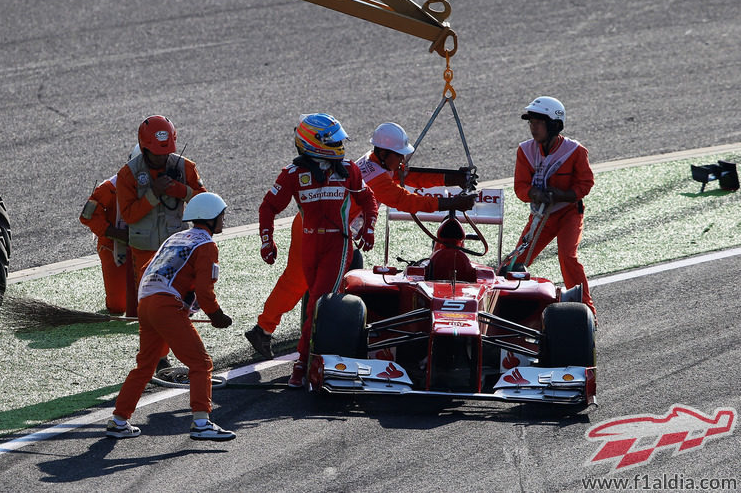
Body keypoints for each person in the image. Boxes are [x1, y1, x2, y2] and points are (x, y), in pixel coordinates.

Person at [245, 121, 476, 359]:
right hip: (314, 227)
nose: (402, 162)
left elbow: (409, 176)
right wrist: (450, 203)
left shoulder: (376, 160)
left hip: (334, 231)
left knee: (313, 284)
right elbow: (407, 200)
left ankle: (288, 331)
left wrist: (452, 178)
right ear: (384, 153)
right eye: (399, 156)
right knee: (297, 282)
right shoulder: (376, 177)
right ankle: (267, 331)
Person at [258, 113, 378, 387]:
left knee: (317, 303)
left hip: (339, 243)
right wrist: (267, 240)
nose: (339, 144)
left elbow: (368, 199)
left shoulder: (349, 169)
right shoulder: (292, 174)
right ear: (313, 142)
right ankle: (316, 355)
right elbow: (268, 207)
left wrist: (369, 228)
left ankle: (301, 364)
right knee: (314, 302)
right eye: (333, 140)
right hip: (310, 244)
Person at [106, 192, 236, 441]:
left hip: (147, 303)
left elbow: (146, 270)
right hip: (166, 306)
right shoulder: (207, 245)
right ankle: (201, 422)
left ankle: (119, 420)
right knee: (200, 363)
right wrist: (216, 315)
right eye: (221, 216)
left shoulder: (176, 238)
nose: (223, 220)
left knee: (145, 366)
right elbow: (204, 290)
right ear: (209, 218)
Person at [512, 96, 596, 316]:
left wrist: (563, 195)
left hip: (569, 214)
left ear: (554, 125)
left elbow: (585, 183)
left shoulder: (576, 151)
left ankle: (586, 310)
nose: (533, 128)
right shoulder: (524, 151)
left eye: (538, 122)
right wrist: (534, 193)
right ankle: (504, 306)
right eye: (531, 122)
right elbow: (520, 187)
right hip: (541, 216)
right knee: (515, 262)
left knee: (568, 257)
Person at [116, 115, 206, 317]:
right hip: (144, 249)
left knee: (179, 300)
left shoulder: (186, 167)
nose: (163, 158)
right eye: (157, 153)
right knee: (150, 305)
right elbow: (129, 215)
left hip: (176, 245)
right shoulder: (128, 175)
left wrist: (182, 191)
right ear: (144, 147)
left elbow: (206, 204)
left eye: (167, 152)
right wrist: (153, 194)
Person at [79, 145, 140, 315]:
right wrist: (116, 233)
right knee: (118, 306)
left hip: (148, 245)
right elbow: (87, 216)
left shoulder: (164, 184)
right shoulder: (109, 188)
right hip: (114, 247)